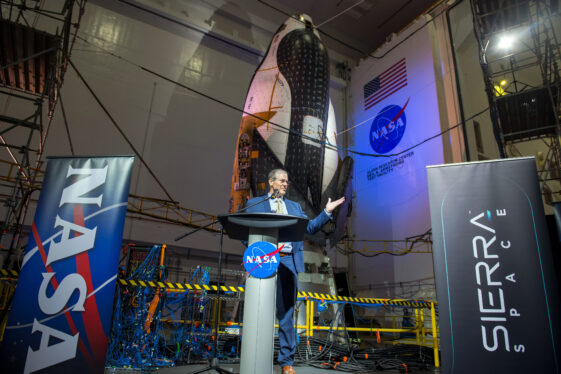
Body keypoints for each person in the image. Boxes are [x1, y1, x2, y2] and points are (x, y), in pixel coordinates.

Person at [244, 169, 345, 374]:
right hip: (264, 262)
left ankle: (286, 362)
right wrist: (253, 253)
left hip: (288, 262)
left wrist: (326, 212)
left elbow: (309, 228)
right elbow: (246, 230)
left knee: (287, 313)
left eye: (287, 181)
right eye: (281, 180)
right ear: (270, 182)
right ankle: (254, 355)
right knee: (259, 311)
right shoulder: (255, 204)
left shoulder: (294, 207)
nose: (285, 184)